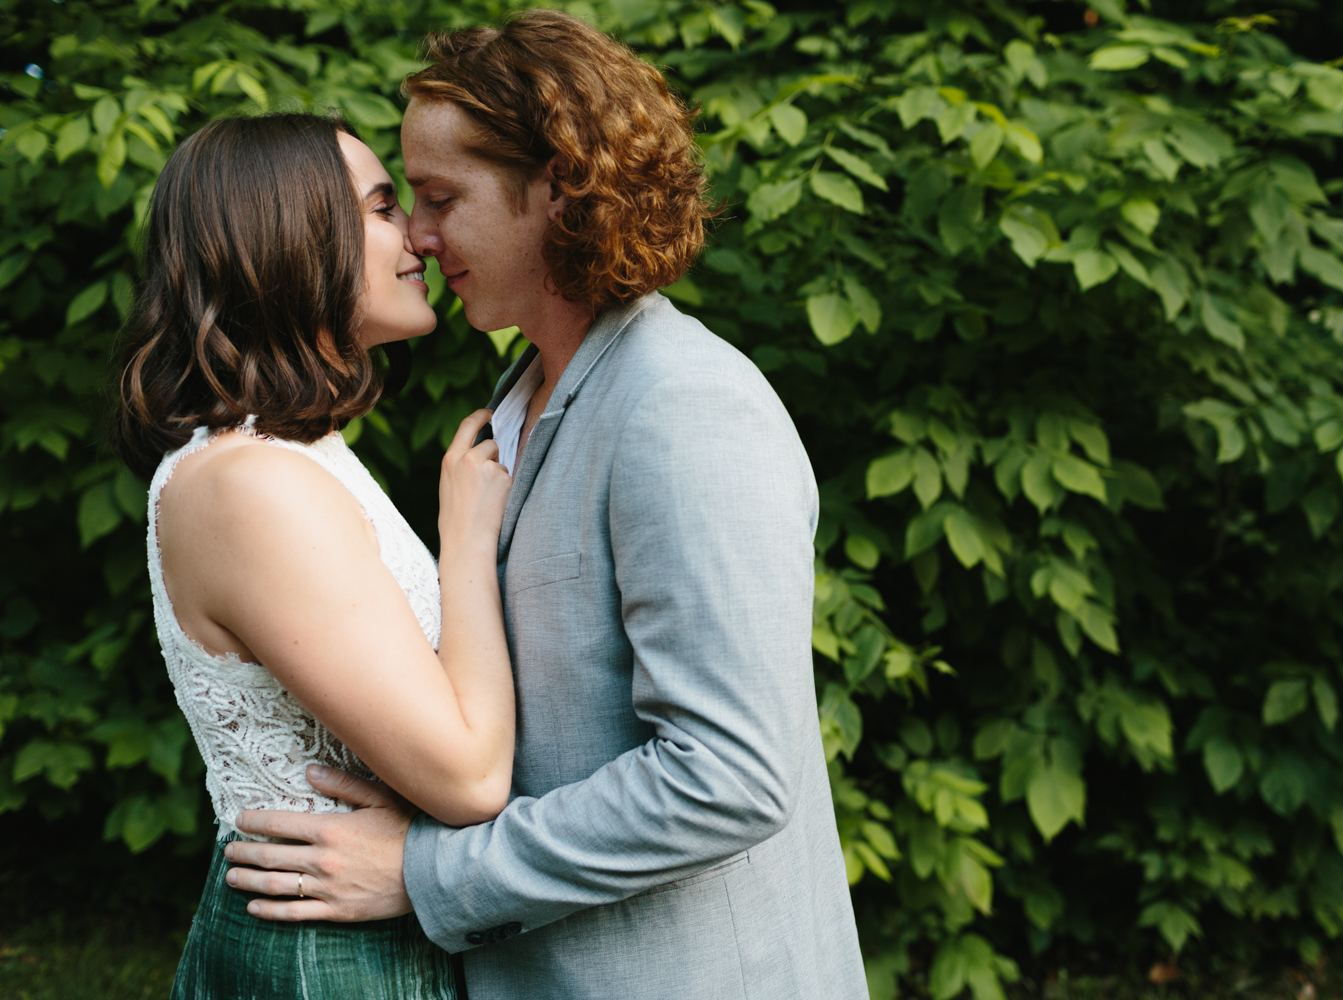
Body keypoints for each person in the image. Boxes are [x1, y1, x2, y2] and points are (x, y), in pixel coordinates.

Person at [226, 11, 870, 1000]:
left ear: (561, 186)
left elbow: (728, 775)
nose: (420, 237)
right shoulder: (516, 407)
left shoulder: (684, 405)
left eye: (440, 198)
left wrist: (422, 871)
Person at [113, 113, 516, 999]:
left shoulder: (295, 458)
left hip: (358, 924)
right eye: (379, 206)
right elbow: (470, 775)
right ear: (289, 238)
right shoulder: (249, 484)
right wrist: (467, 542)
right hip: (323, 955)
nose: (416, 234)